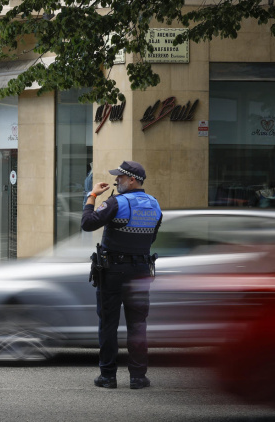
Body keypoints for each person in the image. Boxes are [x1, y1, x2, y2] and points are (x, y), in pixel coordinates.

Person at [81, 161, 162, 390]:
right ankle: (138, 377)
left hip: (113, 271)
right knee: (138, 324)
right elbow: (151, 238)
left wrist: (92, 195)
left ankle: (108, 376)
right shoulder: (155, 205)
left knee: (108, 324)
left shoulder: (117, 202)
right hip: (140, 271)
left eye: (120, 178)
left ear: (132, 180)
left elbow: (87, 223)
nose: (117, 181)